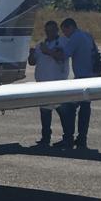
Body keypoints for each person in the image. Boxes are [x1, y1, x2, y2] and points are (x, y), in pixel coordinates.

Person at [58, 16, 101, 151]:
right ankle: (81, 138)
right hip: (92, 75)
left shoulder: (75, 37)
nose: (65, 35)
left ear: (70, 27)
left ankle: (69, 138)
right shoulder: (87, 35)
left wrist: (48, 51)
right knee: (85, 109)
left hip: (82, 78)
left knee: (68, 107)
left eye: (65, 32)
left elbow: (65, 54)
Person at [28, 20, 71, 148]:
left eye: (52, 30)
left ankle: (68, 138)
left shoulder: (63, 42)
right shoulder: (40, 44)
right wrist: (31, 55)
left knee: (63, 112)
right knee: (45, 113)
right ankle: (45, 138)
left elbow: (61, 57)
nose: (49, 32)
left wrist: (48, 52)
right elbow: (32, 62)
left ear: (57, 30)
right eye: (47, 30)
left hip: (58, 83)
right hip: (43, 84)